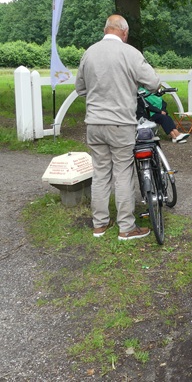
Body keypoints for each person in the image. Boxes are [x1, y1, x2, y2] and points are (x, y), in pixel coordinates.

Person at [75, 14, 161, 241]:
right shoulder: (130, 53)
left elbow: (80, 88)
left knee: (101, 173)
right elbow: (153, 82)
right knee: (123, 172)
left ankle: (99, 225)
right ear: (124, 32)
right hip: (120, 122)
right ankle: (126, 227)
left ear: (106, 30)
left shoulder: (89, 53)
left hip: (94, 122)